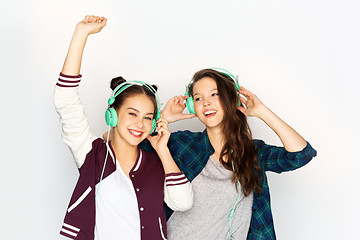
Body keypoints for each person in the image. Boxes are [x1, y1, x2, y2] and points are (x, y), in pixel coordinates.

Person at [54, 15, 193, 240]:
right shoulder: (93, 155)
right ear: (112, 115)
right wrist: (81, 34)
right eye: (132, 114)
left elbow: (183, 202)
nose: (140, 124)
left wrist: (163, 151)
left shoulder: (155, 162)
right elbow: (65, 100)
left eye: (148, 117)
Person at [136, 68, 316, 239]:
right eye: (198, 98)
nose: (206, 103)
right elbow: (128, 146)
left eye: (215, 94)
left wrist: (262, 112)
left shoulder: (253, 153)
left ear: (232, 99)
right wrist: (164, 118)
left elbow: (301, 155)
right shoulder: (182, 144)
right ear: (192, 106)